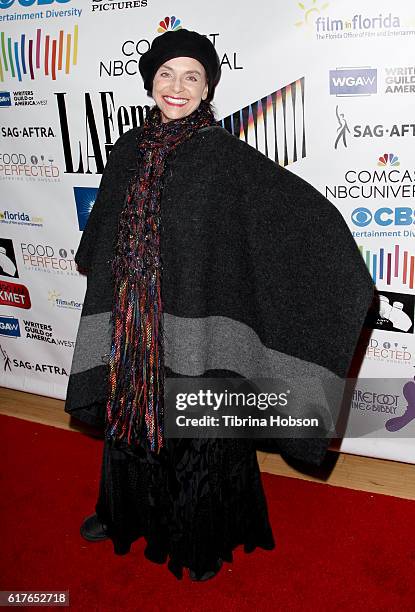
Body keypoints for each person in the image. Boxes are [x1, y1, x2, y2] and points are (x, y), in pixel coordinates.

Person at [65, 29, 374, 581]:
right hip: (133, 330)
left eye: (191, 76)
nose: (176, 87)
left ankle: (201, 533)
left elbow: (292, 224)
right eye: (165, 74)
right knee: (130, 418)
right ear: (150, 83)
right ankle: (122, 511)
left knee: (196, 428)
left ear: (208, 88)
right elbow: (106, 230)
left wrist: (341, 269)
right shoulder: (127, 150)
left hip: (197, 326)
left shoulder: (225, 158)